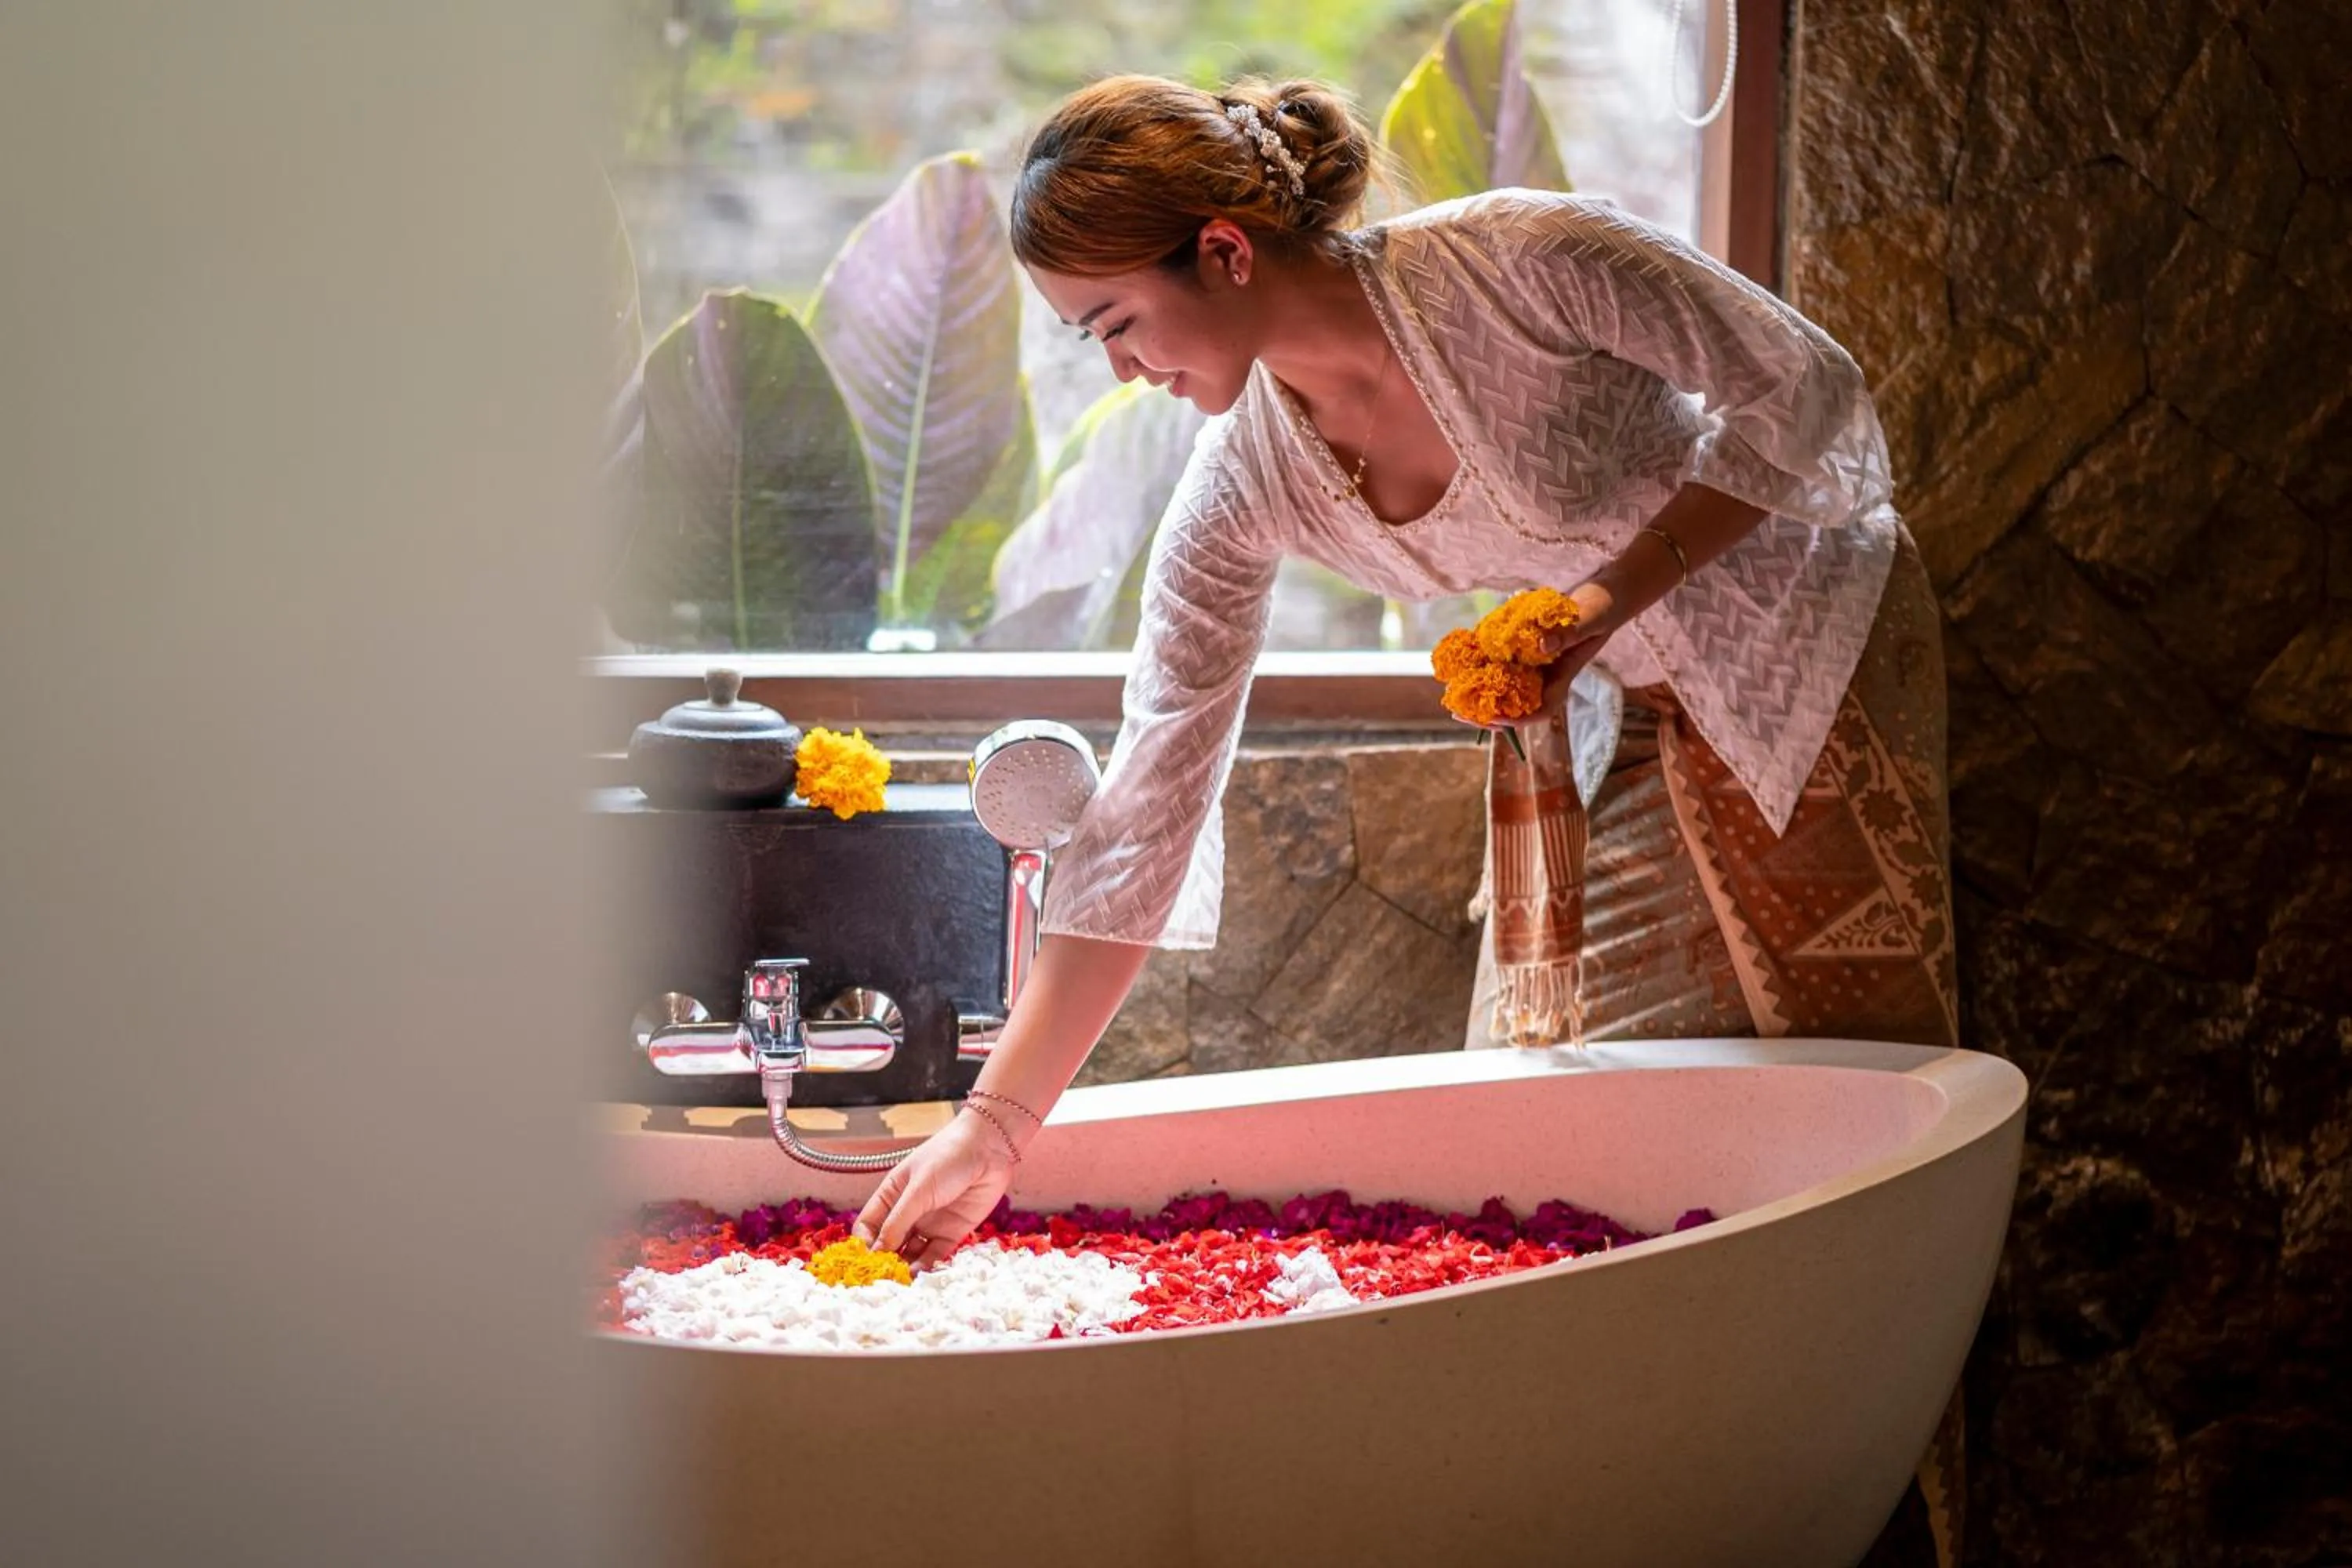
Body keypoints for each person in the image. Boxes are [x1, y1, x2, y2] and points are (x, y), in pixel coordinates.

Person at [854, 72, 1955, 1268]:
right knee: (1549, 1121)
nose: (1124, 372)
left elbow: (1802, 386)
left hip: (1802, 651)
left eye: (1116, 324)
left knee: (1861, 1106)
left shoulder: (1520, 262)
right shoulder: (1244, 485)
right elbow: (1147, 807)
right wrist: (995, 1130)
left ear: (1222, 250)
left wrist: (1601, 600)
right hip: (1600, 707)